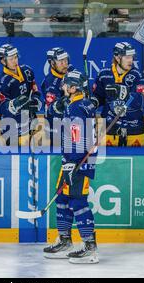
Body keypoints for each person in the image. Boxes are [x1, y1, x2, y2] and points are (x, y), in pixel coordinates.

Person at [43, 70, 99, 264]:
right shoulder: (80, 104)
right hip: (73, 160)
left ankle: (90, 246)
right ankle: (65, 239)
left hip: (79, 162)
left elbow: (76, 139)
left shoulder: (76, 108)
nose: (63, 86)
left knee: (77, 201)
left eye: (66, 84)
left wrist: (71, 164)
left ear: (74, 88)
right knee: (62, 197)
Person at [93, 42, 144, 147]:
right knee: (109, 163)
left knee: (138, 163)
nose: (131, 60)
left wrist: (123, 92)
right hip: (109, 128)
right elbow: (98, 97)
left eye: (132, 57)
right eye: (127, 57)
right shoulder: (104, 74)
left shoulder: (138, 75)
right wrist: (92, 102)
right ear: (117, 57)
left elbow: (143, 99)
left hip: (134, 127)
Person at [0, 44, 42, 147]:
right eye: (11, 59)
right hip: (12, 126)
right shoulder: (0, 82)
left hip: (30, 121)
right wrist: (15, 104)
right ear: (3, 61)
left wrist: (35, 100)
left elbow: (35, 90)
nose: (15, 61)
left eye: (16, 57)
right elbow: (1, 107)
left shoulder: (27, 71)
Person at [40, 47, 74, 145]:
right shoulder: (50, 83)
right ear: (52, 63)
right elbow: (53, 110)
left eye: (66, 60)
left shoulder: (70, 70)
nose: (65, 64)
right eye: (61, 62)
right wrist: (66, 97)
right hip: (56, 129)